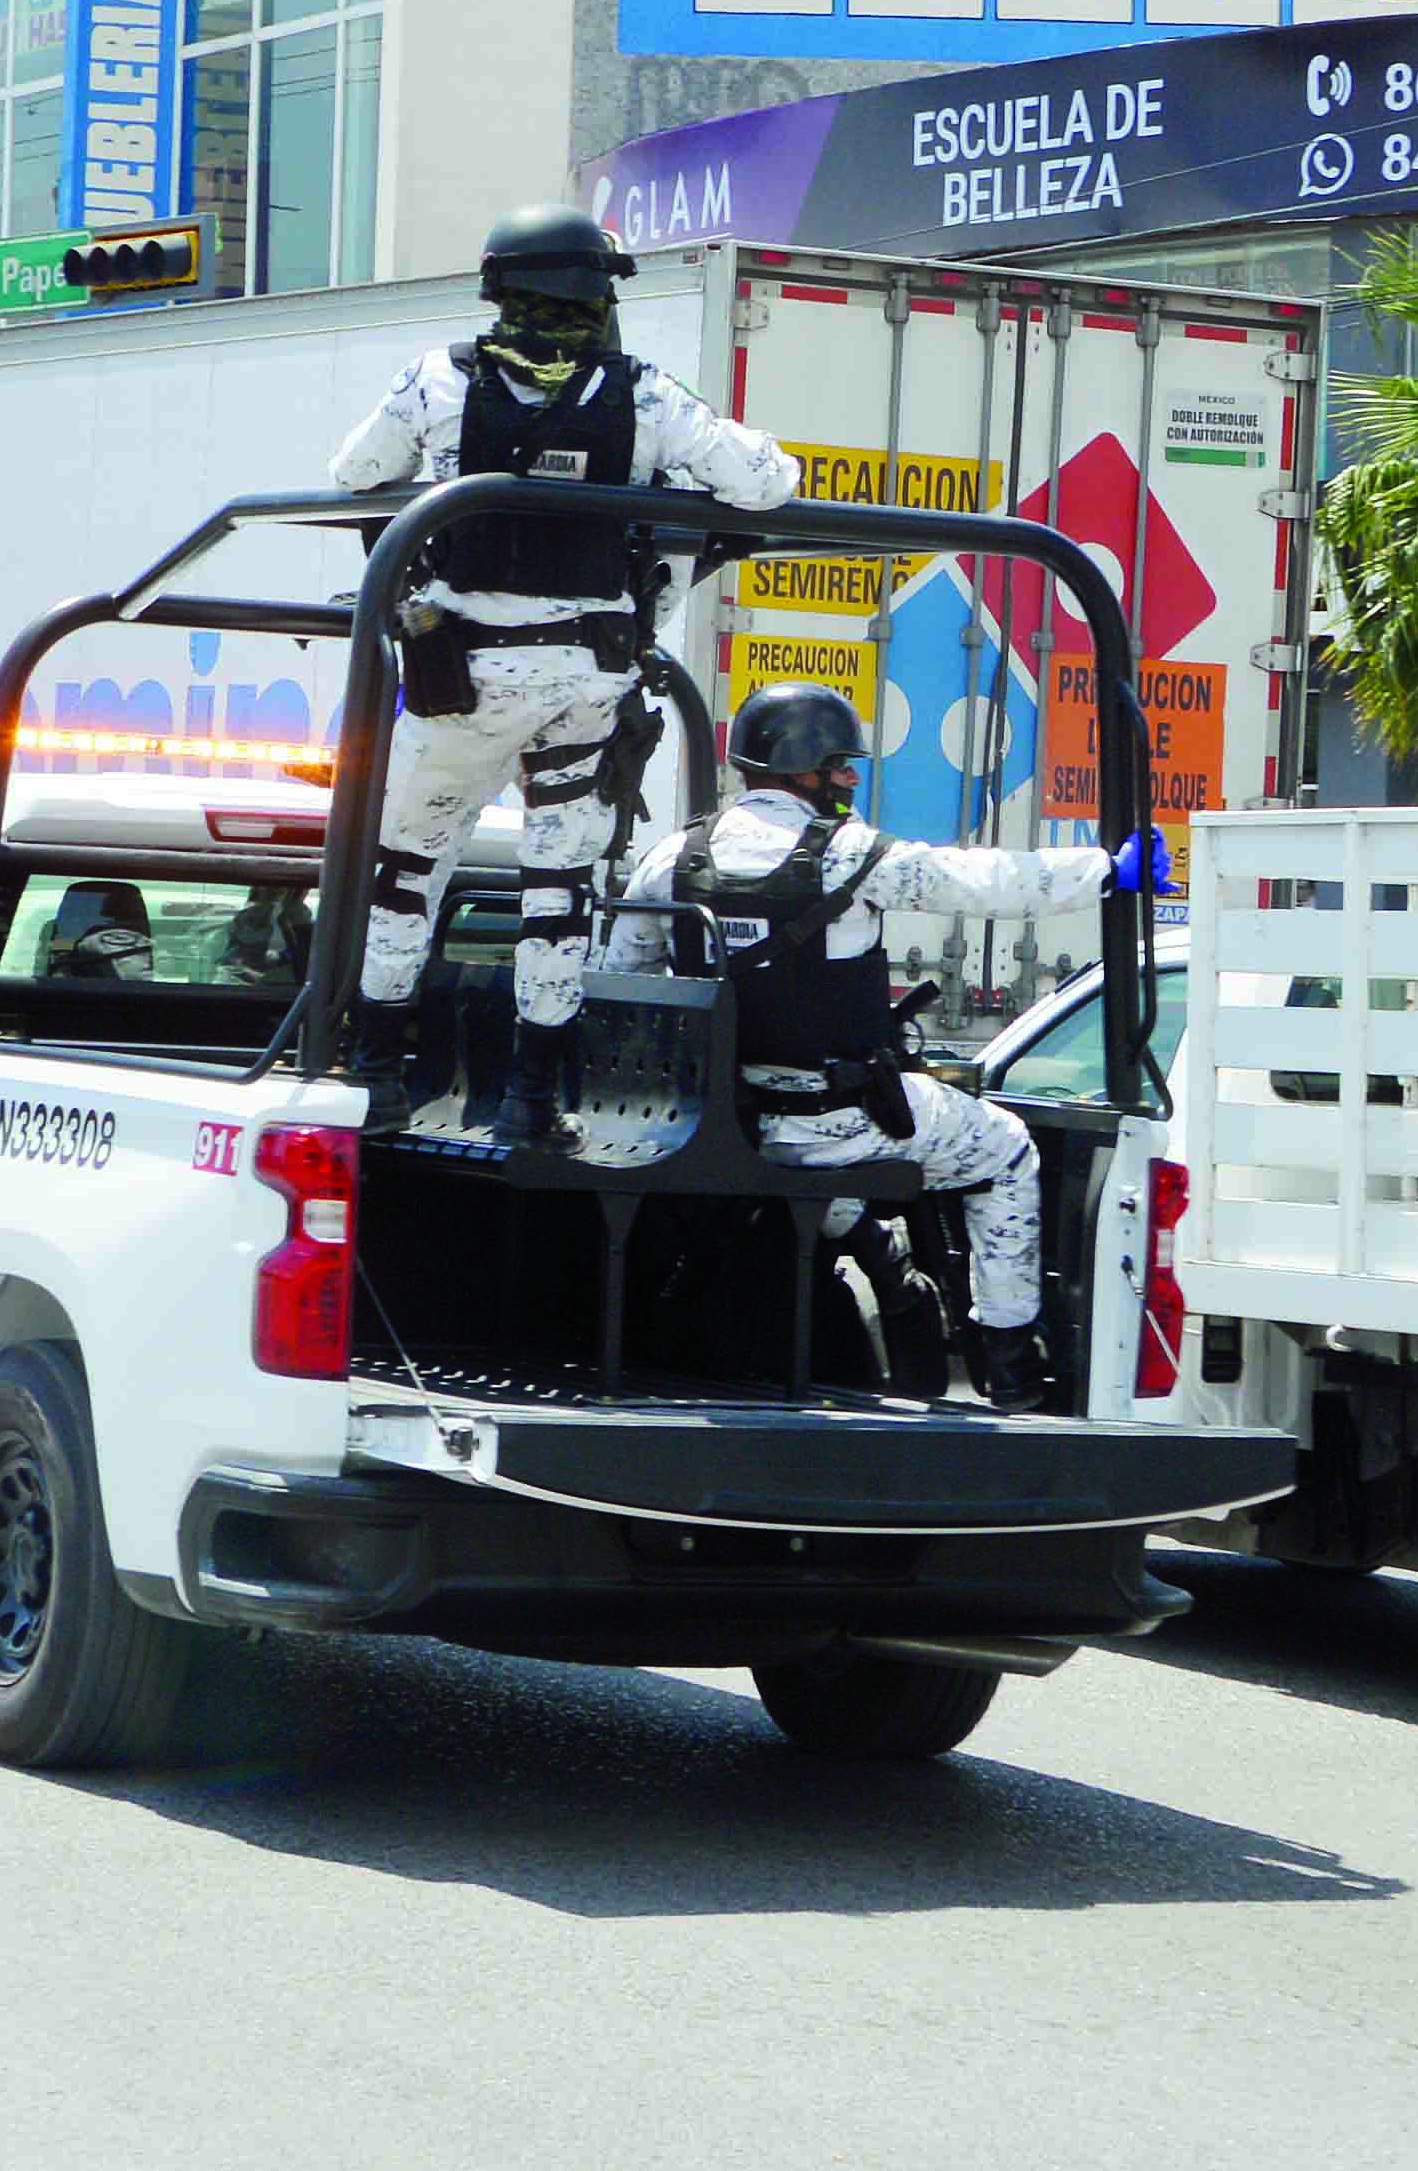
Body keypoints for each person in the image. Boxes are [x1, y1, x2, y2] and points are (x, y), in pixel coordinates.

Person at [325, 204, 803, 1144]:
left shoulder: (435, 382)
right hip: (589, 678)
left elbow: (353, 475)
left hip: (460, 682)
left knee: (408, 875)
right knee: (559, 892)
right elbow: (767, 483)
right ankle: (534, 1102)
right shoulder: (648, 396)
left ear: (498, 288)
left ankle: (377, 1079)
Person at [605, 683, 1176, 1405]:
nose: (851, 779)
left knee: (799, 1166)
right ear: (800, 764)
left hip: (717, 1130)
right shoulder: (851, 854)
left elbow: (622, 982)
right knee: (1004, 1149)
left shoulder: (668, 860)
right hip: (839, 1122)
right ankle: (1010, 1357)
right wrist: (1105, 870)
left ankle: (876, 1246)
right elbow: (979, 883)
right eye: (840, 764)